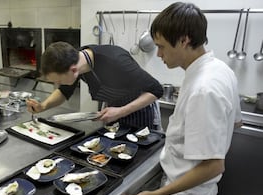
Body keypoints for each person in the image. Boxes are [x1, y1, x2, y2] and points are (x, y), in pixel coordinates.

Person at [123, 2, 242, 195]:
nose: (159, 54)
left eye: (162, 46)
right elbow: (237, 121)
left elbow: (214, 165)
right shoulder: (220, 70)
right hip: (188, 190)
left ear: (185, 40)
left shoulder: (204, 88)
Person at [26, 42, 164, 130]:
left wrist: (121, 111)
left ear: (73, 70)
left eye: (59, 81)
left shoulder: (116, 60)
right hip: (114, 110)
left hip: (140, 109)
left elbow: (156, 89)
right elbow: (64, 92)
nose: (58, 85)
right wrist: (43, 106)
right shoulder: (72, 60)